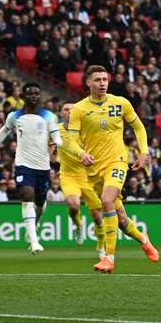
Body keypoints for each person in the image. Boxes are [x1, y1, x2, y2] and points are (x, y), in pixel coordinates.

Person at [63, 66, 160, 273]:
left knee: (106, 201)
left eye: (105, 79)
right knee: (122, 220)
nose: (102, 83)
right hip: (93, 169)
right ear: (87, 83)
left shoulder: (121, 103)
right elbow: (70, 141)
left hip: (117, 161)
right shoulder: (79, 109)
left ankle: (109, 258)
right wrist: (82, 154)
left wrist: (143, 152)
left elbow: (139, 127)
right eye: (97, 80)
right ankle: (144, 239)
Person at [0, 82, 61, 254]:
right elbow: (3, 131)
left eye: (36, 93)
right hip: (23, 165)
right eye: (30, 93)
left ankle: (34, 225)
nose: (33, 96)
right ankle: (34, 242)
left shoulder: (49, 116)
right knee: (27, 196)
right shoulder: (14, 116)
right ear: (23, 96)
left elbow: (56, 136)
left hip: (43, 166)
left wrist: (61, 147)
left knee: (40, 203)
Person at [58, 102, 105, 257]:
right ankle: (78, 225)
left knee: (97, 216)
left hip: (88, 175)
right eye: (66, 109)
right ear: (61, 113)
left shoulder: (85, 129)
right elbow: (46, 146)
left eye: (73, 109)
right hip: (69, 175)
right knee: (73, 205)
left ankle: (100, 245)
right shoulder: (55, 130)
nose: (70, 112)